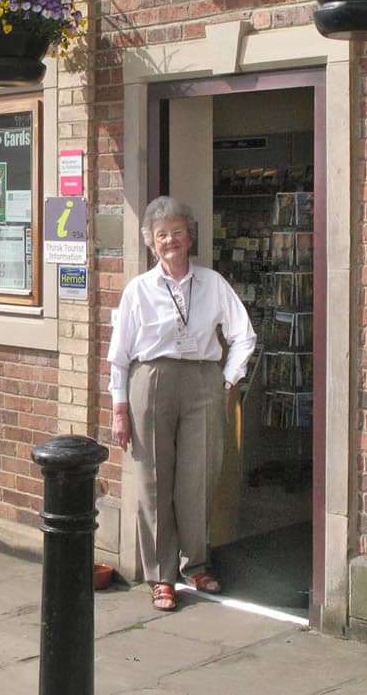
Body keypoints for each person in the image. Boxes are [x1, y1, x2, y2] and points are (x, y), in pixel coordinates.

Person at [107, 196, 256, 612]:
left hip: (203, 380)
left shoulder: (212, 283)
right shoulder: (139, 289)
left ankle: (195, 564)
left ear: (190, 235)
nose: (170, 240)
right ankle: (161, 575)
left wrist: (228, 378)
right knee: (153, 480)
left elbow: (244, 334)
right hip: (150, 380)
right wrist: (119, 408)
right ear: (152, 243)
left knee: (200, 475)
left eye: (176, 231)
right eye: (161, 234)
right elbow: (119, 355)